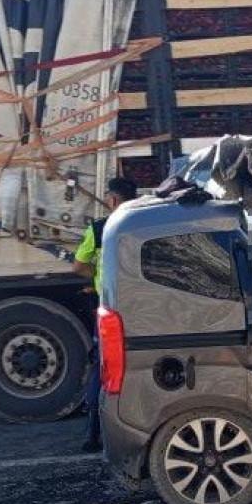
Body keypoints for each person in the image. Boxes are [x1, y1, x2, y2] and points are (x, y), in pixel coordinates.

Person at [74, 177, 139, 452]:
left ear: (112, 199)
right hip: (141, 304)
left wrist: (99, 275)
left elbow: (78, 266)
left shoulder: (100, 228)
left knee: (103, 367)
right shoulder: (143, 222)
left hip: (111, 306)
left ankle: (94, 433)